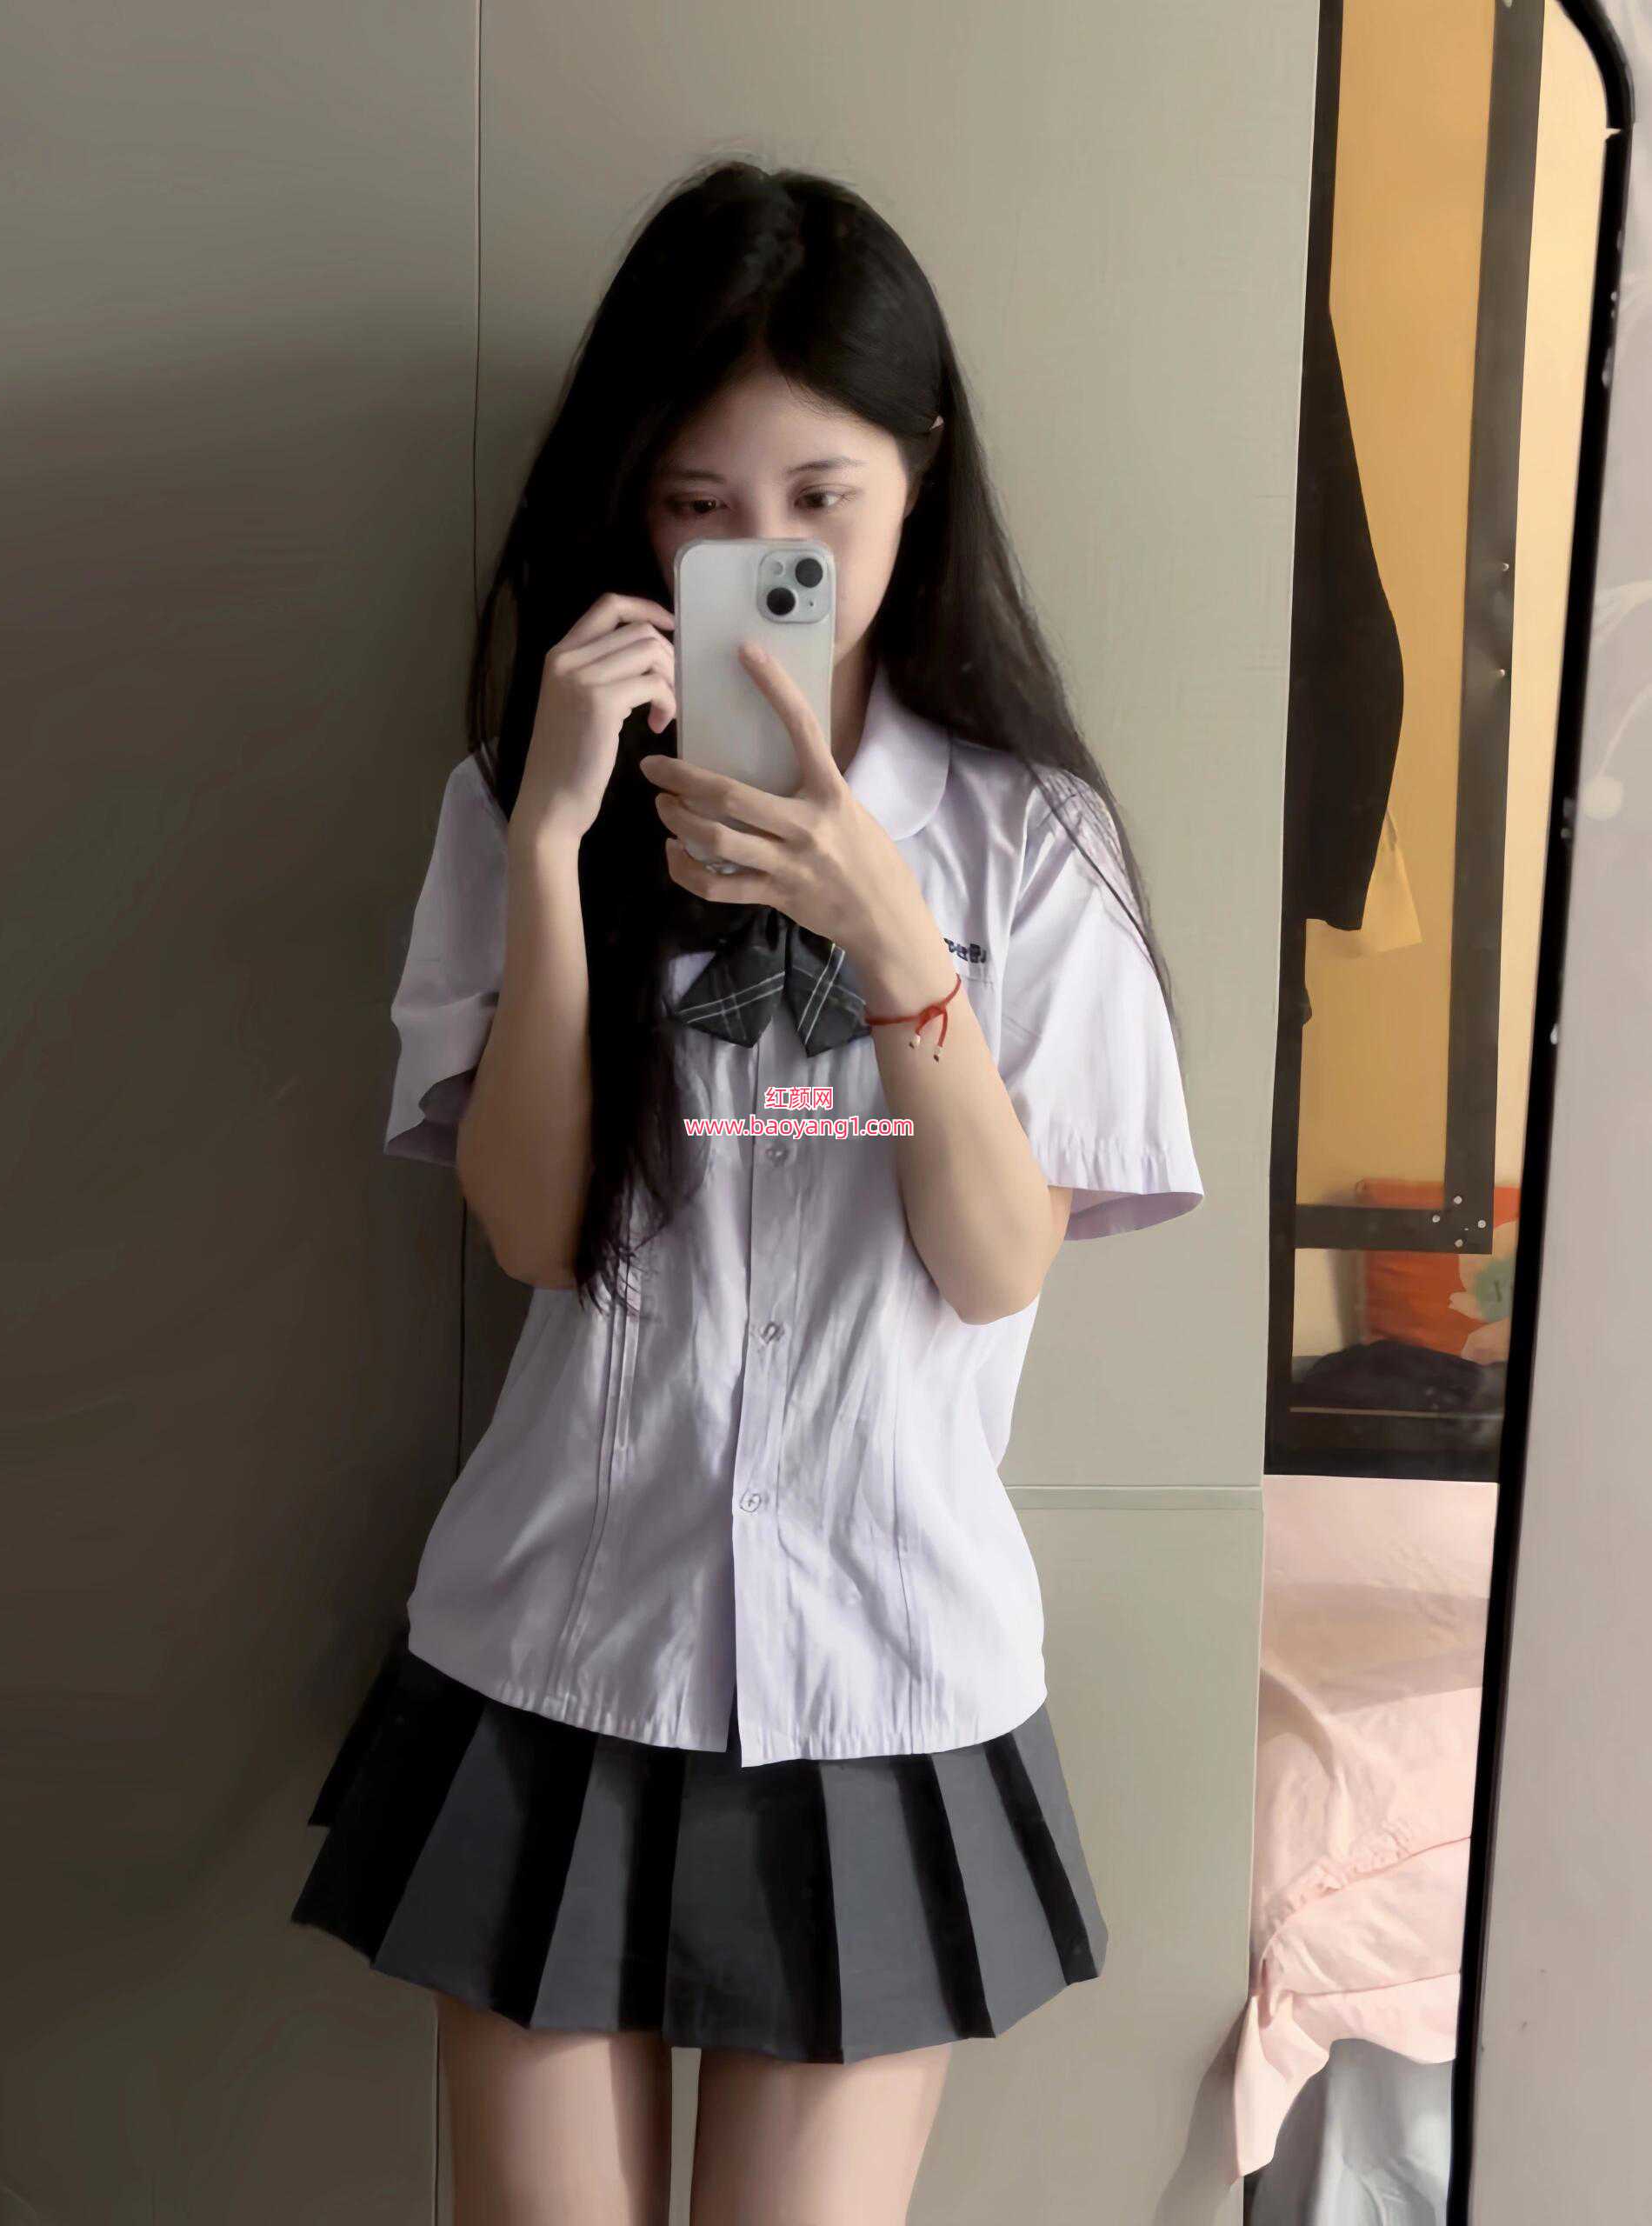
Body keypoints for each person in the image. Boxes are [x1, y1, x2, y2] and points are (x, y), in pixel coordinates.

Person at [290, 157, 1204, 2226]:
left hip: (885, 1664)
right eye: (696, 504)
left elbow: (995, 1261)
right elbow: (535, 1231)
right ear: (631, 505)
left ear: (921, 478)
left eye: (818, 498)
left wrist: (889, 930)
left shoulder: (1027, 840)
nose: (755, 556)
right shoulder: (518, 803)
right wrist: (551, 845)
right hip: (562, 1643)